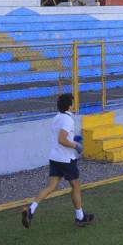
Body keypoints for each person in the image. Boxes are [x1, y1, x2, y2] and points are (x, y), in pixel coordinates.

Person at [21, 93, 95, 228]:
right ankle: (80, 217)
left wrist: (72, 140)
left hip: (55, 157)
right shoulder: (68, 120)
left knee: (51, 186)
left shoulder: (57, 118)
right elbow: (62, 139)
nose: (74, 104)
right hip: (66, 159)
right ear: (69, 105)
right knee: (76, 186)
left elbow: (61, 136)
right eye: (73, 102)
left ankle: (31, 209)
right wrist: (76, 145)